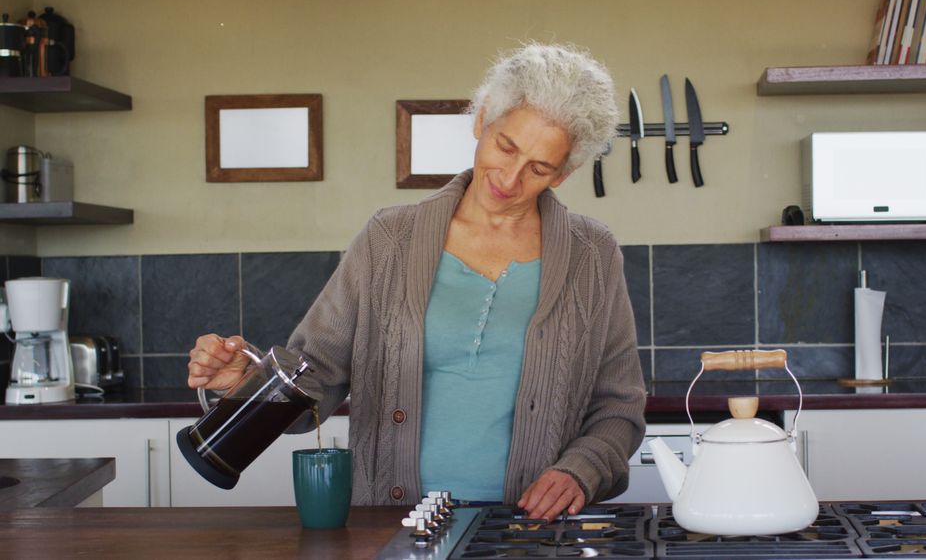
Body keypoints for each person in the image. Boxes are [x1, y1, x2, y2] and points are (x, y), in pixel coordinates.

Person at [186, 43, 646, 521]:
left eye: (539, 168)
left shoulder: (591, 253)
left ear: (564, 174)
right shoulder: (389, 239)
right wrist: (245, 384)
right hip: (392, 520)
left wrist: (581, 470)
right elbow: (313, 382)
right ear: (481, 120)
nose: (509, 179)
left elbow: (620, 406)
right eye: (505, 146)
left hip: (528, 531)